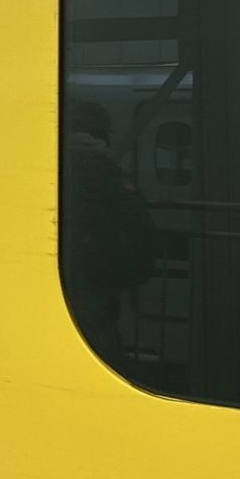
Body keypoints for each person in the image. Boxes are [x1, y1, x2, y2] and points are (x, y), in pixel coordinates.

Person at [60, 99, 154, 360]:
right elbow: (133, 215)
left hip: (73, 264)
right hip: (99, 265)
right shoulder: (104, 168)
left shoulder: (59, 165)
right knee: (99, 329)